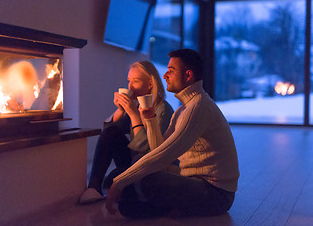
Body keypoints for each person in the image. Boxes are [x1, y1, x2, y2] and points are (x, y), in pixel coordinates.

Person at [105, 49, 240, 218]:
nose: (165, 76)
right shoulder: (184, 108)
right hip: (193, 180)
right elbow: (158, 149)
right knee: (134, 169)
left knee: (147, 179)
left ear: (188, 75)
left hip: (216, 194)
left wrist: (119, 183)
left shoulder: (197, 108)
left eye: (171, 70)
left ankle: (161, 209)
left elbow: (163, 156)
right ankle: (158, 207)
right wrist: (151, 119)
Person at [80, 60, 174, 204]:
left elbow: (146, 150)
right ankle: (94, 188)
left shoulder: (163, 110)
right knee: (111, 135)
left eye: (135, 81)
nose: (130, 87)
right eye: (128, 81)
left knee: (113, 178)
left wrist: (134, 115)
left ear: (150, 84)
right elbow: (108, 132)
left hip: (152, 167)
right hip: (134, 161)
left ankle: (127, 188)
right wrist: (121, 110)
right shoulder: (136, 106)